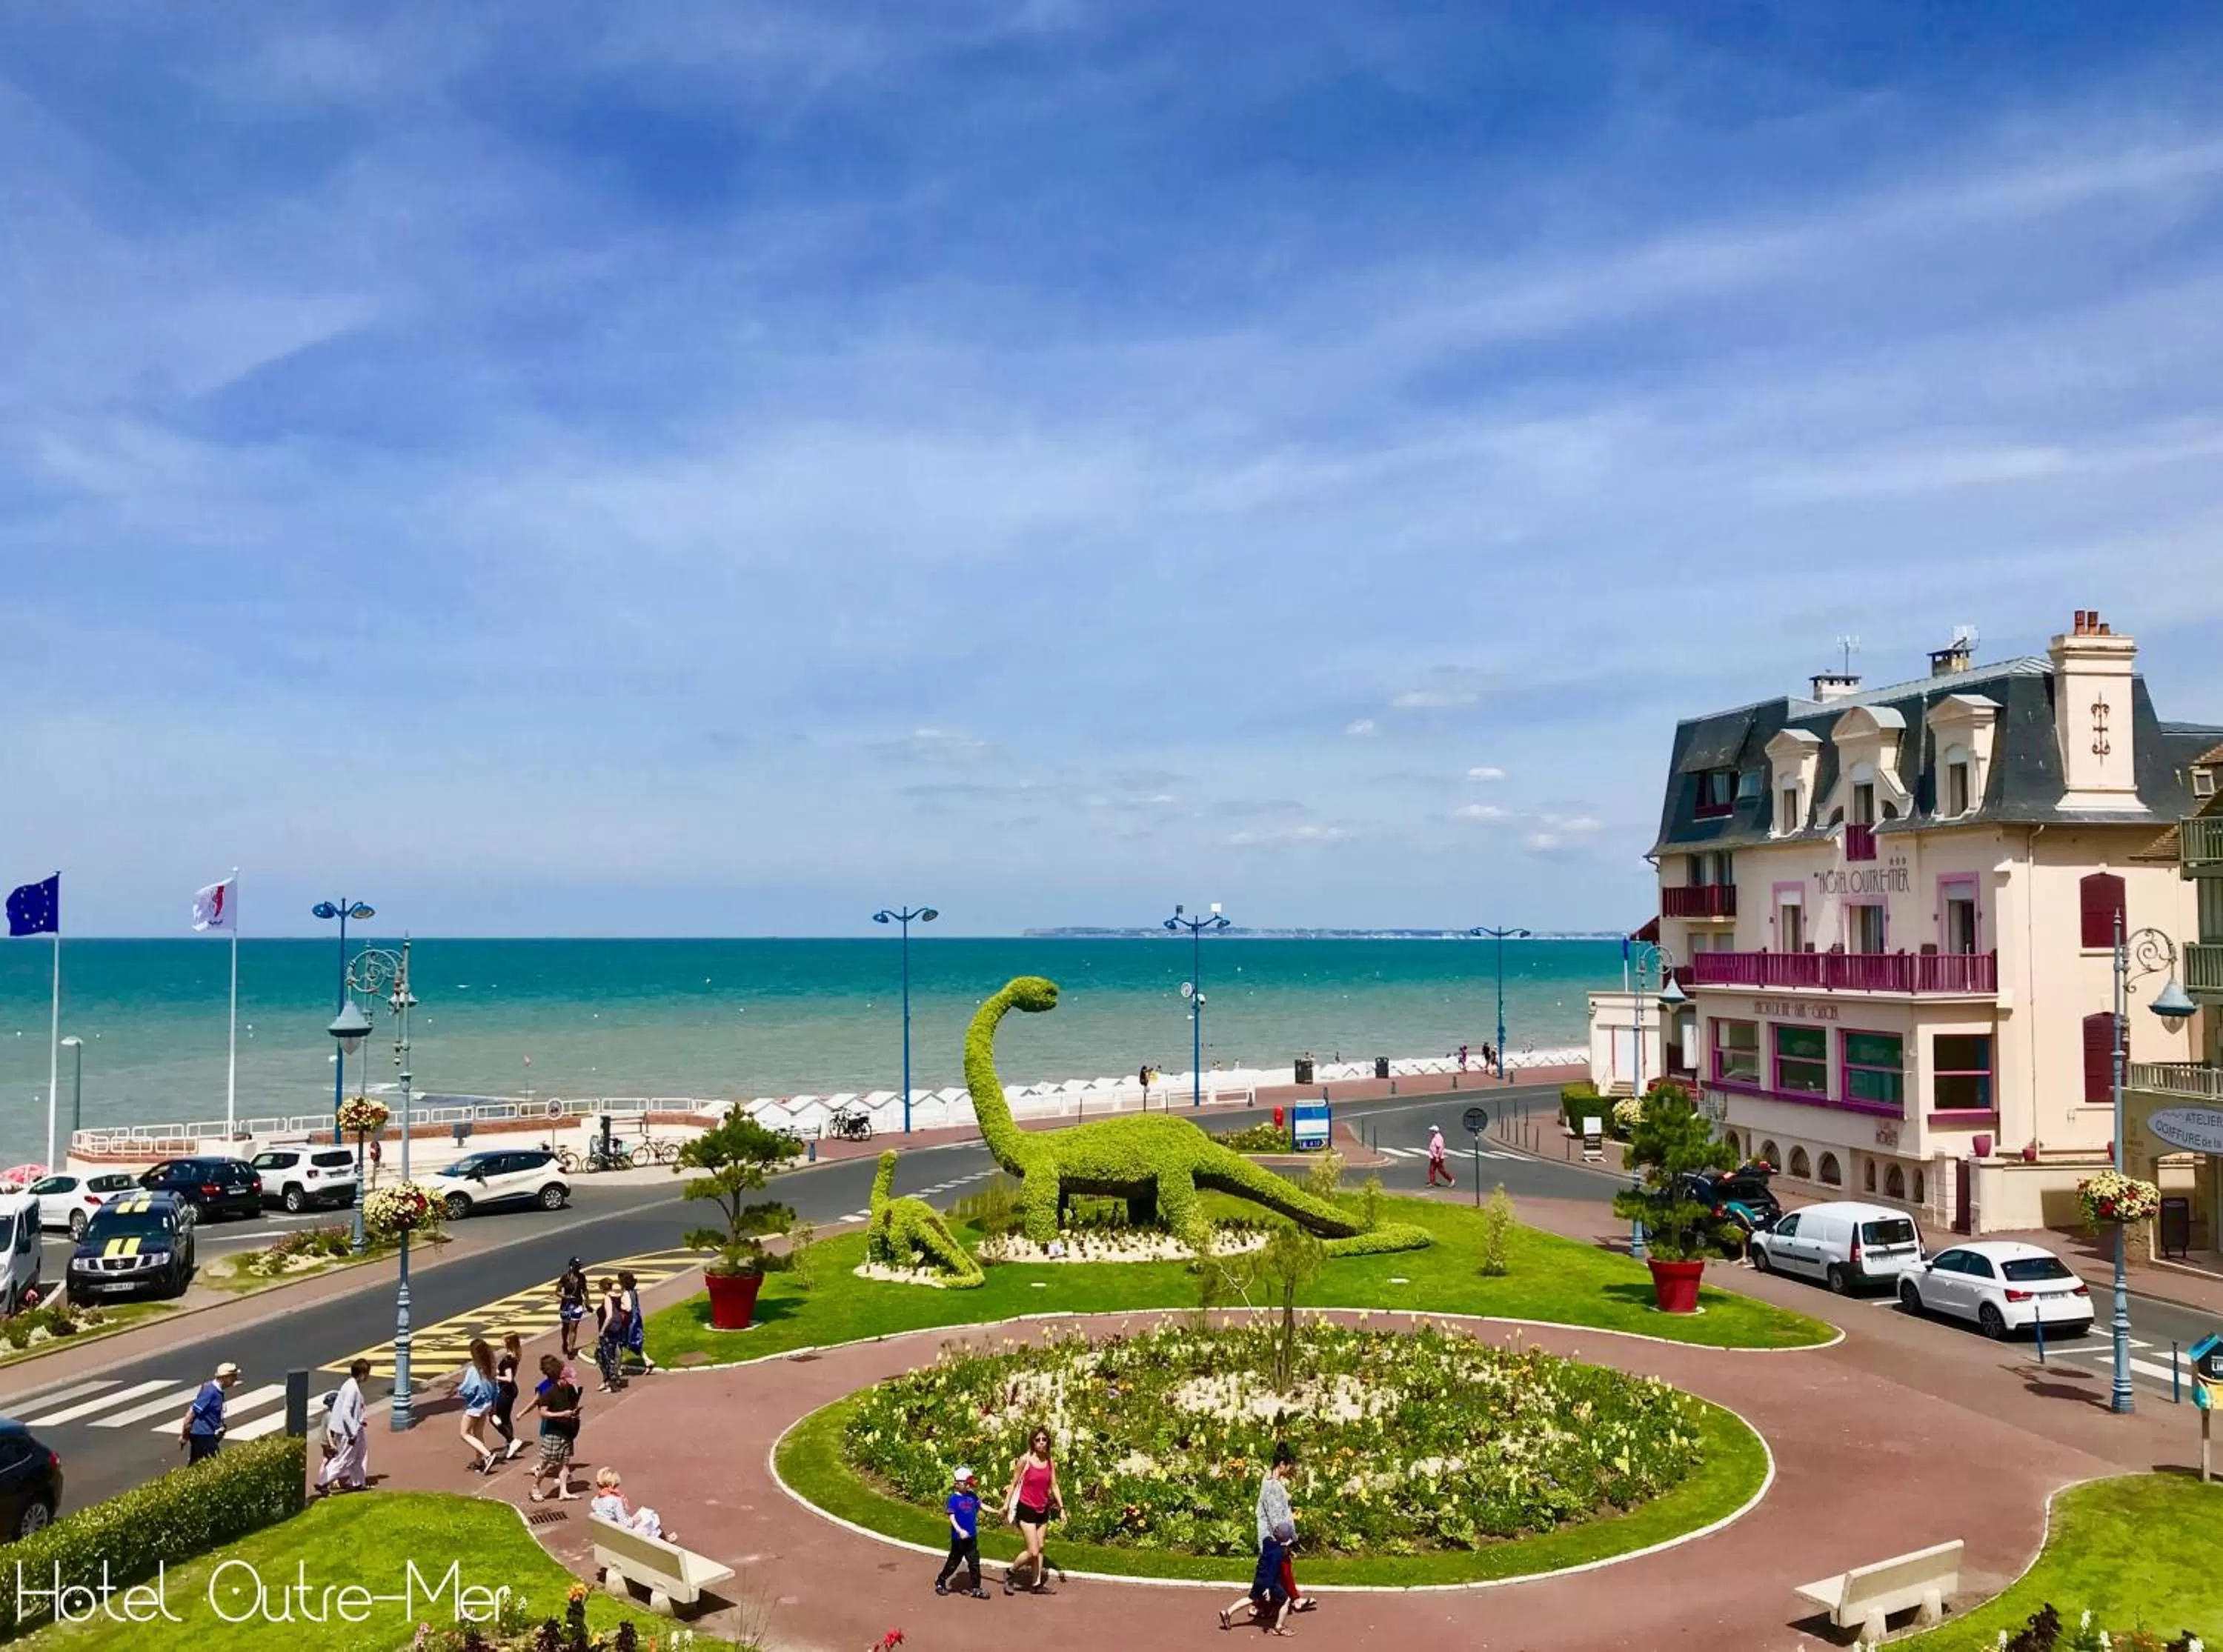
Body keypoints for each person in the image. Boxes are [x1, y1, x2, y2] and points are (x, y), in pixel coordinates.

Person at [1220, 1442, 1297, 1633]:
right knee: (1278, 1575)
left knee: (1272, 1578)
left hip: (1274, 1542)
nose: (1290, 1469)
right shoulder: (1271, 1486)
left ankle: (1256, 1606)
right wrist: (1285, 1539)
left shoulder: (1271, 1482)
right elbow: (1274, 1517)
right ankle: (1275, 1614)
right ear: (1282, 1464)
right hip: (1275, 1541)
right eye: (1288, 1466)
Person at [1000, 1425, 1060, 1595]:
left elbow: (1054, 1485)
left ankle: (1036, 1584)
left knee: (1040, 1548)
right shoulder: (1025, 1460)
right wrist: (1006, 1506)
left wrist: (1061, 1508)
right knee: (1033, 1551)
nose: (1041, 1443)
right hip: (1026, 1509)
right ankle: (1010, 1572)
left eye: (1044, 1440)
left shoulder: (1050, 1460)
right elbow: (1013, 1484)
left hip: (1043, 1509)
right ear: (1032, 1442)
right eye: (1038, 1440)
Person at [526, 1353, 582, 1502]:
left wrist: (574, 1413)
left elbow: (572, 1404)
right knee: (547, 1463)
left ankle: (563, 1491)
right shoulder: (549, 1392)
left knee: (565, 1462)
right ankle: (535, 1487)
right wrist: (562, 1414)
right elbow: (543, 1413)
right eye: (568, 1380)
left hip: (567, 1431)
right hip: (553, 1432)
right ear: (561, 1378)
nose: (571, 1383)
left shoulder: (570, 1389)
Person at [316, 1359, 372, 1494]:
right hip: (349, 1431)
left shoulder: (349, 1384)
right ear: (362, 1374)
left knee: (359, 1456)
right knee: (344, 1459)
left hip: (353, 1428)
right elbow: (346, 1412)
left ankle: (358, 1483)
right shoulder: (352, 1389)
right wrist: (353, 1432)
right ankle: (323, 1482)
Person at [934, 1466, 989, 1599]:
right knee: (953, 1562)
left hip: (971, 1537)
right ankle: (941, 1581)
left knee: (974, 1563)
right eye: (966, 1484)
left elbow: (982, 1506)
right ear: (957, 1484)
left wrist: (998, 1512)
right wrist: (959, 1530)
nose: (968, 1486)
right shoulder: (953, 1499)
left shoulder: (972, 1496)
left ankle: (976, 1588)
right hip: (959, 1539)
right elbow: (952, 1517)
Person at [453, 1338, 502, 1473]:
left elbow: (468, 1389)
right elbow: (496, 1389)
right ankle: (478, 1462)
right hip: (487, 1405)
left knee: (464, 1433)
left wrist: (460, 1390)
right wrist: (493, 1406)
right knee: (478, 1433)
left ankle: (488, 1455)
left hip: (475, 1406)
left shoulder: (473, 1371)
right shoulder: (490, 1369)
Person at [179, 1361, 240, 1464]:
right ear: (224, 1378)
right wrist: (185, 1437)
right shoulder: (210, 1392)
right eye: (233, 1377)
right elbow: (191, 1415)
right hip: (203, 1435)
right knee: (215, 1465)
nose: (235, 1379)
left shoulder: (216, 1390)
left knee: (196, 1464)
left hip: (207, 1434)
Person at [590, 1466, 672, 1542]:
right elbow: (625, 1525)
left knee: (647, 1517)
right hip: (620, 1537)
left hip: (607, 1535)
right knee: (649, 1516)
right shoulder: (615, 1500)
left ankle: (664, 1540)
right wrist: (635, 1519)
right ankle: (665, 1541)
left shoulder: (595, 1501)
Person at [494, 1332, 526, 1460]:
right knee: (506, 1418)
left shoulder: (508, 1360)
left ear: (508, 1342)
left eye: (502, 1340)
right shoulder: (514, 1356)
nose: (500, 1342)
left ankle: (511, 1440)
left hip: (506, 1391)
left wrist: (495, 1377)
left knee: (494, 1416)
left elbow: (509, 1378)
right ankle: (510, 1445)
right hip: (511, 1390)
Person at [594, 1277, 629, 1393]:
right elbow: (625, 1309)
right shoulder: (617, 1297)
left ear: (602, 1287)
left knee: (605, 1356)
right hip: (617, 1330)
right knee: (613, 1355)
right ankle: (608, 1381)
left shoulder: (608, 1298)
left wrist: (602, 1331)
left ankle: (612, 1383)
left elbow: (609, 1316)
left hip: (609, 1332)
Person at [618, 1270, 657, 1373]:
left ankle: (618, 1367)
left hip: (629, 1322)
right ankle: (648, 1361)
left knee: (620, 1343)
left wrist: (619, 1306)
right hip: (636, 1319)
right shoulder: (633, 1292)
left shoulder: (626, 1294)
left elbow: (628, 1308)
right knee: (634, 1344)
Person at [558, 1259, 590, 1357]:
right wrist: (565, 1297)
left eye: (579, 1266)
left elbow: (585, 1290)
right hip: (566, 1306)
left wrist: (587, 1302)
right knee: (566, 1327)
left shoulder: (582, 1277)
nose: (579, 1268)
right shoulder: (565, 1278)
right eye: (577, 1266)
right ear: (571, 1267)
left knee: (574, 1327)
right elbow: (557, 1291)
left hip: (577, 1305)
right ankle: (565, 1342)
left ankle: (571, 1349)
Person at [1426, 1124, 1455, 1188]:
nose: (1430, 1132)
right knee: (1432, 1170)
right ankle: (1432, 1182)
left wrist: (1437, 1157)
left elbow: (1440, 1148)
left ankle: (1451, 1180)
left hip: (1437, 1157)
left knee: (1441, 1170)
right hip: (1434, 1156)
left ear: (1435, 1131)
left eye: (1432, 1131)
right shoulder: (1435, 1137)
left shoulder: (1438, 1138)